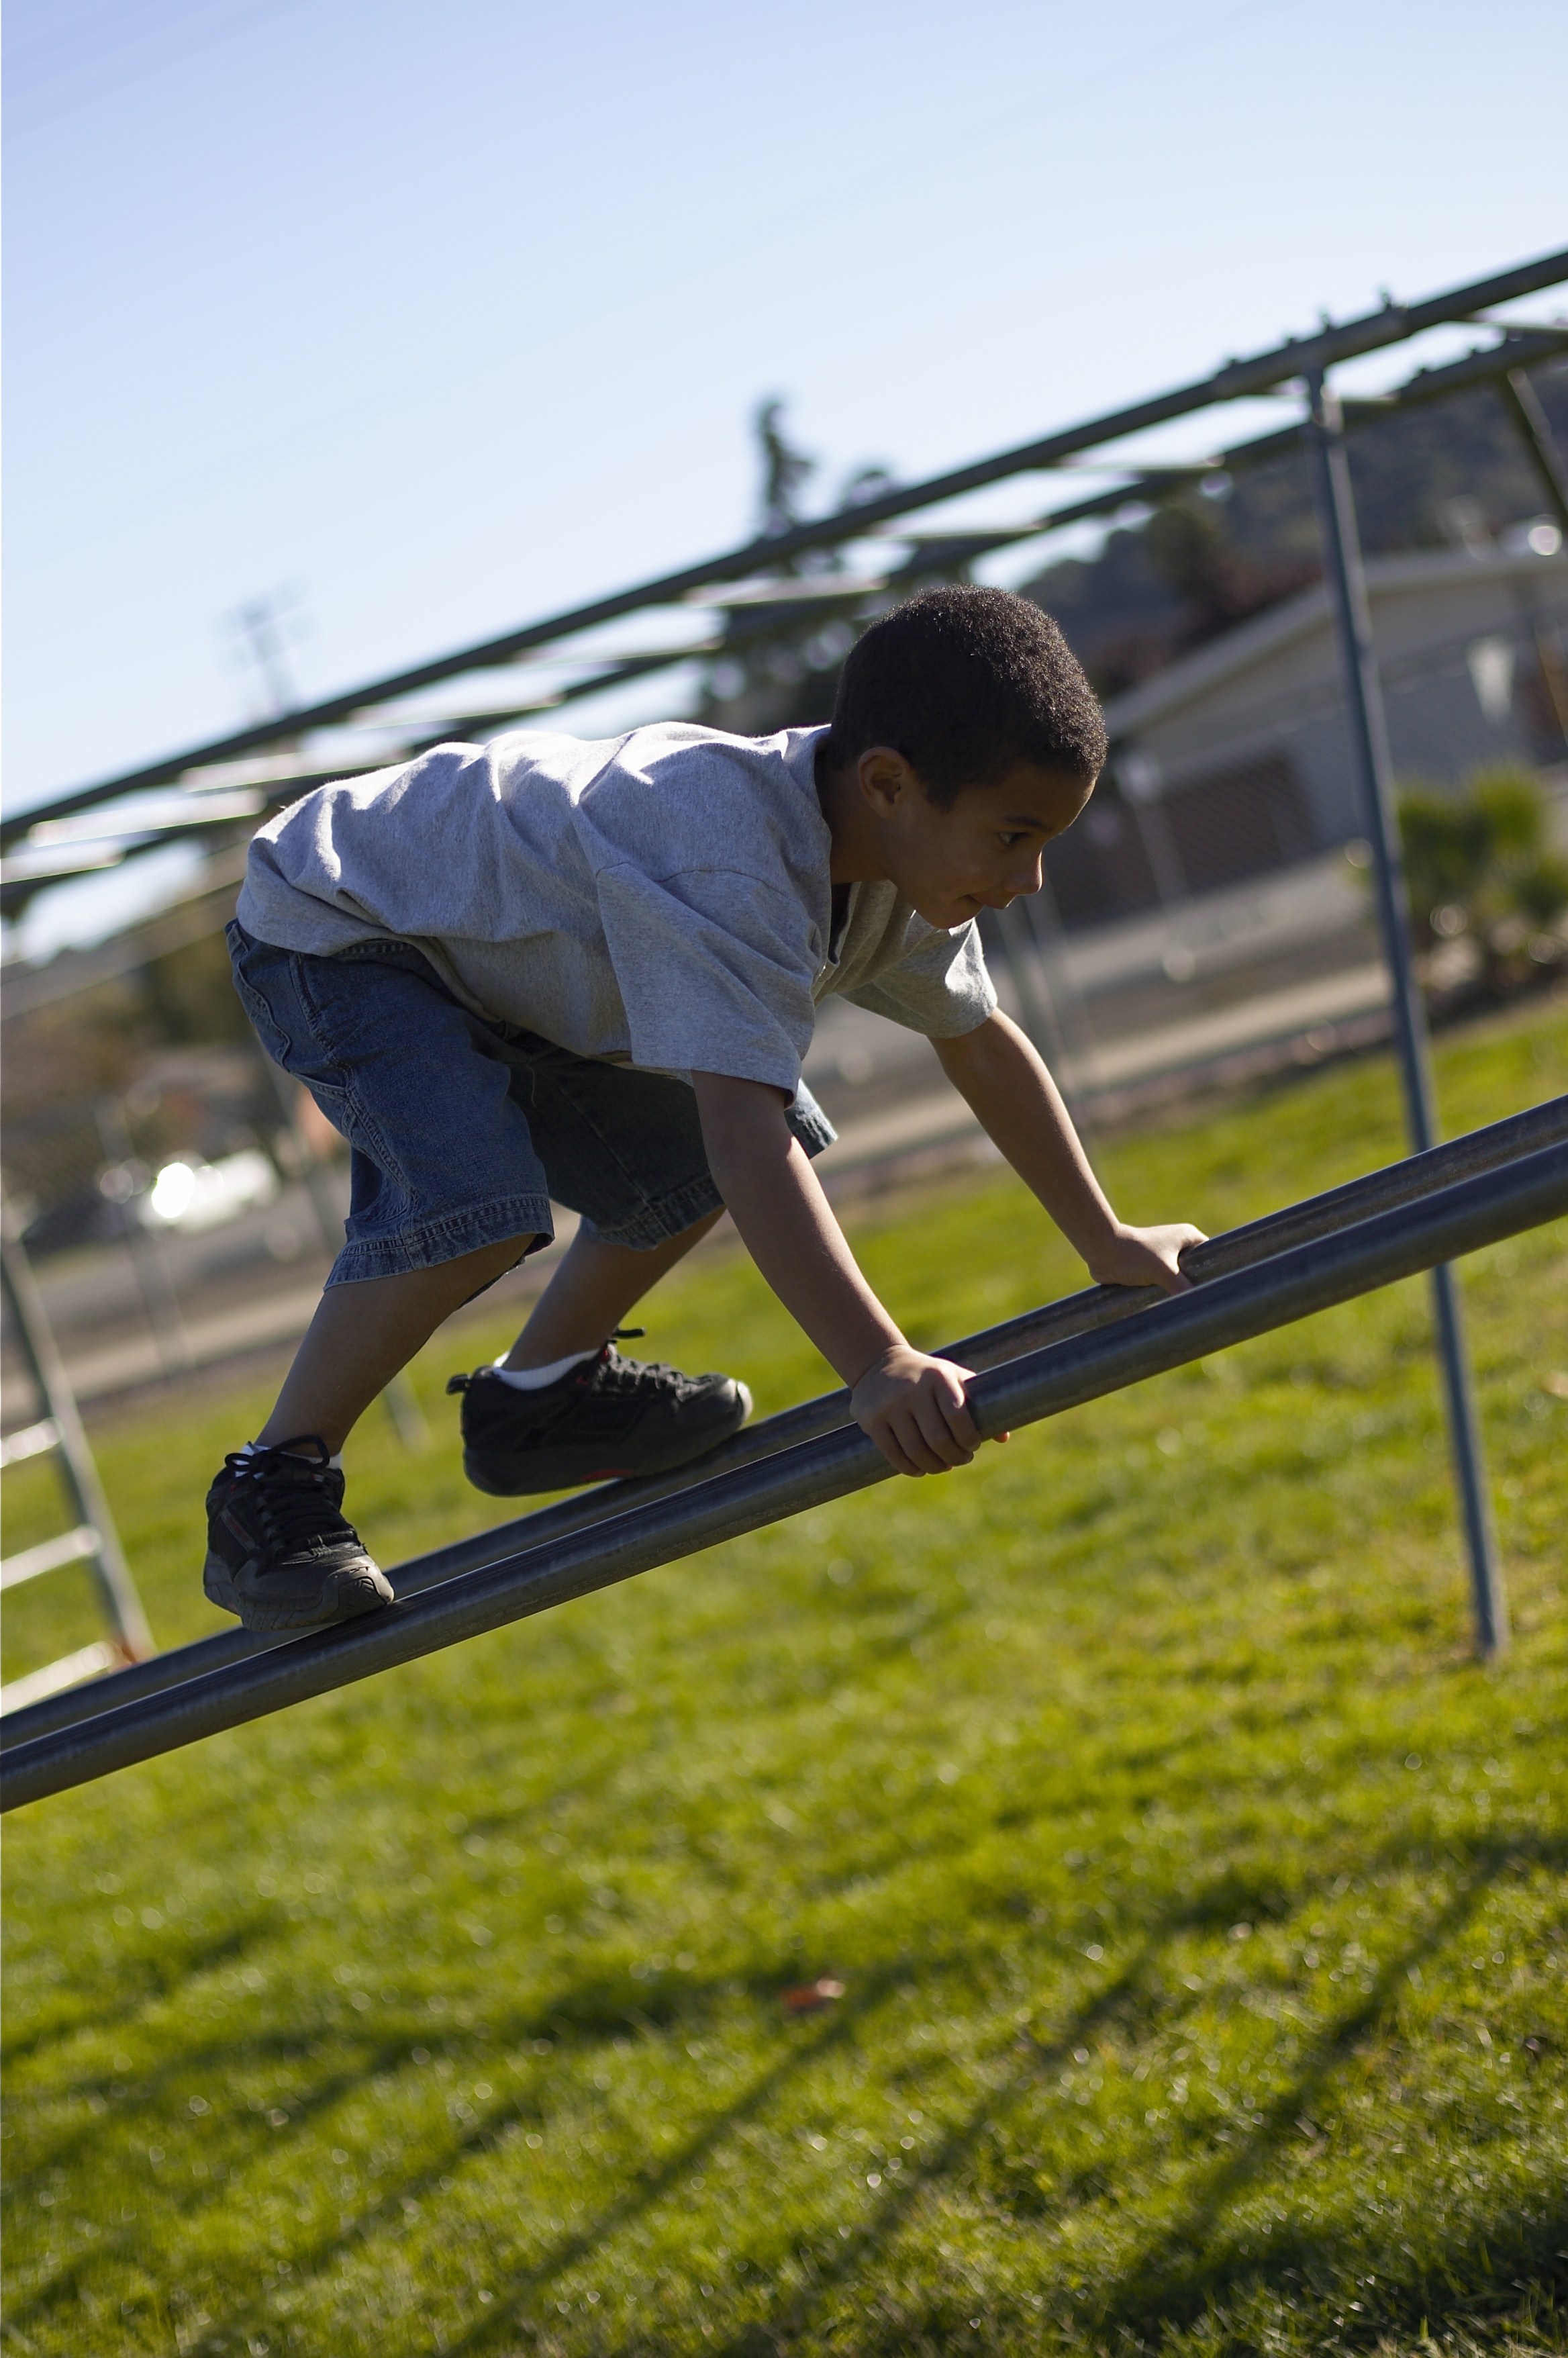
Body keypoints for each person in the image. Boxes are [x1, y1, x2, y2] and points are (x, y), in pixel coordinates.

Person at [204, 585, 1204, 1634]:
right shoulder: (728, 853)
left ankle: (539, 1398)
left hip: (498, 957)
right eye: (1012, 836)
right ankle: (270, 1488)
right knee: (474, 1203)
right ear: (888, 784)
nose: (1031, 877)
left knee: (687, 1161)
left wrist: (1106, 1238)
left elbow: (981, 1047)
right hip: (343, 915)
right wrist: (878, 1364)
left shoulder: (902, 866)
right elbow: (746, 1140)